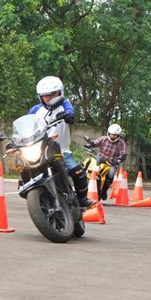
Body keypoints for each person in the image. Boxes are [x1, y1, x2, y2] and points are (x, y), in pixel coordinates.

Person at [28, 76, 96, 208]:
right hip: (40, 149)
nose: (49, 98)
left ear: (60, 93)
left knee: (78, 173)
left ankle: (82, 199)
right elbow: (27, 126)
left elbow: (70, 114)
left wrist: (68, 115)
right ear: (40, 96)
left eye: (53, 94)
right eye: (45, 95)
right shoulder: (35, 110)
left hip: (61, 151)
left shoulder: (64, 105)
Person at [84, 123, 127, 200]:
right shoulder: (103, 139)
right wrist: (89, 144)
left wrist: (119, 159)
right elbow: (94, 143)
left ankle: (104, 190)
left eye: (115, 135)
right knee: (87, 163)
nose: (112, 136)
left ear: (118, 135)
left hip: (111, 163)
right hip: (99, 159)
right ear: (108, 133)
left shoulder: (121, 143)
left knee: (110, 175)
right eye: (111, 134)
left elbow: (123, 154)